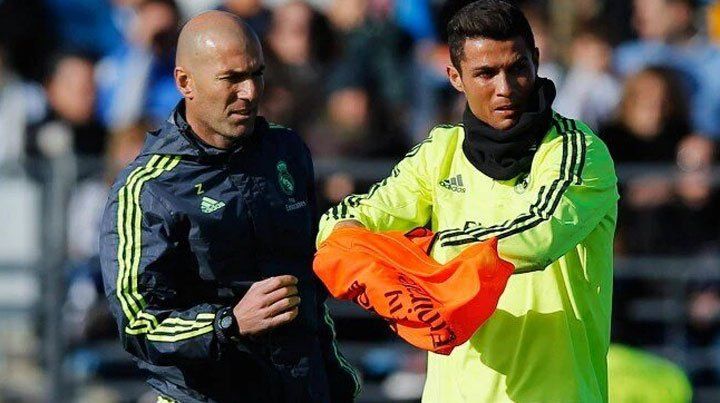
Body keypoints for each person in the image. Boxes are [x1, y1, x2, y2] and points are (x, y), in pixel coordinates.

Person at [317, 1, 618, 402]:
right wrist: (366, 250)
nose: (505, 88)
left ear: (536, 61)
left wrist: (420, 253)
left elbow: (537, 237)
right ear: (455, 77)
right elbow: (340, 223)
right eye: (485, 74)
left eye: (517, 68)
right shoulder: (439, 152)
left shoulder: (578, 150)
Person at [99, 11, 359, 402]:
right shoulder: (149, 187)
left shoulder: (286, 151)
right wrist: (228, 323)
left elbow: (307, 286)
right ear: (185, 82)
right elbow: (139, 324)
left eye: (257, 74)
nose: (250, 92)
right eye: (232, 78)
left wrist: (336, 380)